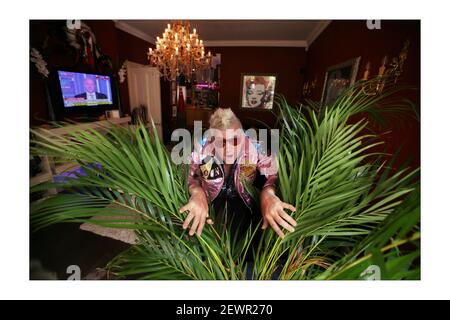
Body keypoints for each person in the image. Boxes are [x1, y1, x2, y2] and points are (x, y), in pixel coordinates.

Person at [179, 108, 297, 241]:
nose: (228, 148)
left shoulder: (254, 149)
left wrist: (268, 193)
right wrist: (197, 191)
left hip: (244, 208)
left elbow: (274, 172)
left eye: (234, 140)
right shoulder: (202, 150)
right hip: (210, 208)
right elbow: (185, 173)